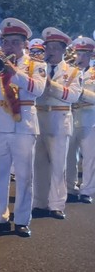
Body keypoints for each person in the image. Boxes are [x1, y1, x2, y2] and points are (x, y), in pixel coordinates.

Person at [0, 17, 46, 238]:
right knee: (0, 175)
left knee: (24, 176)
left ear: (24, 44)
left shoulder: (36, 66)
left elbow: (37, 90)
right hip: (1, 124)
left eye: (14, 42)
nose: (9, 46)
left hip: (24, 124)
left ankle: (22, 220)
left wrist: (14, 71)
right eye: (6, 42)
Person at [33, 27, 81, 220]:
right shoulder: (37, 68)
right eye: (48, 47)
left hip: (60, 119)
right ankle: (39, 202)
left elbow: (74, 96)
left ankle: (56, 204)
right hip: (39, 117)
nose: (50, 51)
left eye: (54, 47)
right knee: (39, 164)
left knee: (58, 165)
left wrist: (51, 86)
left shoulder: (72, 71)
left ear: (63, 50)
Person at [67, 36, 95, 204]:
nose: (81, 57)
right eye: (78, 53)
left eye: (85, 54)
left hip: (90, 118)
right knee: (70, 156)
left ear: (92, 55)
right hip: (71, 116)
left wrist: (81, 94)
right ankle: (70, 188)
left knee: (90, 157)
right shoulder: (71, 71)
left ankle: (87, 190)